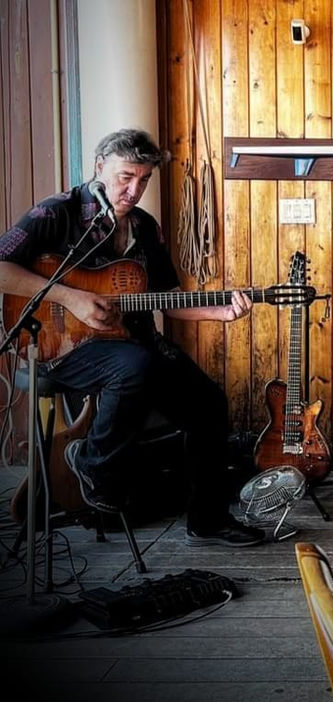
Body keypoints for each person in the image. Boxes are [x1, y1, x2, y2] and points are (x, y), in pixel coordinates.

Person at [0, 128, 264, 547]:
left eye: (143, 179)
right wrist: (71, 299)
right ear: (100, 167)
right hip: (60, 345)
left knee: (208, 402)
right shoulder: (55, 214)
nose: (134, 189)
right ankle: (92, 463)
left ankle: (208, 520)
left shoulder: (144, 227)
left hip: (134, 346)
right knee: (135, 366)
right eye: (126, 176)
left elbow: (166, 298)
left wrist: (218, 312)